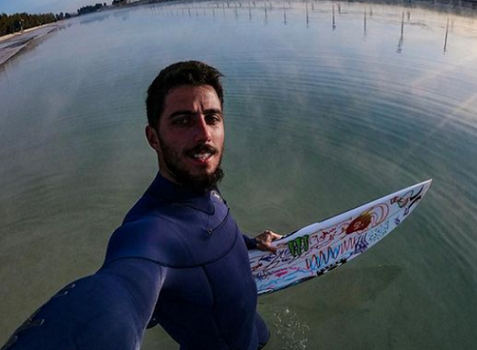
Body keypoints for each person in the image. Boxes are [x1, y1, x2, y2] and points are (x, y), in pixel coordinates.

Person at [2, 60, 281, 350]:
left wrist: (248, 243)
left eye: (212, 118)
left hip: (257, 333)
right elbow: (118, 291)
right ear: (153, 138)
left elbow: (207, 232)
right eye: (182, 120)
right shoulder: (148, 233)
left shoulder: (200, 179)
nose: (203, 134)